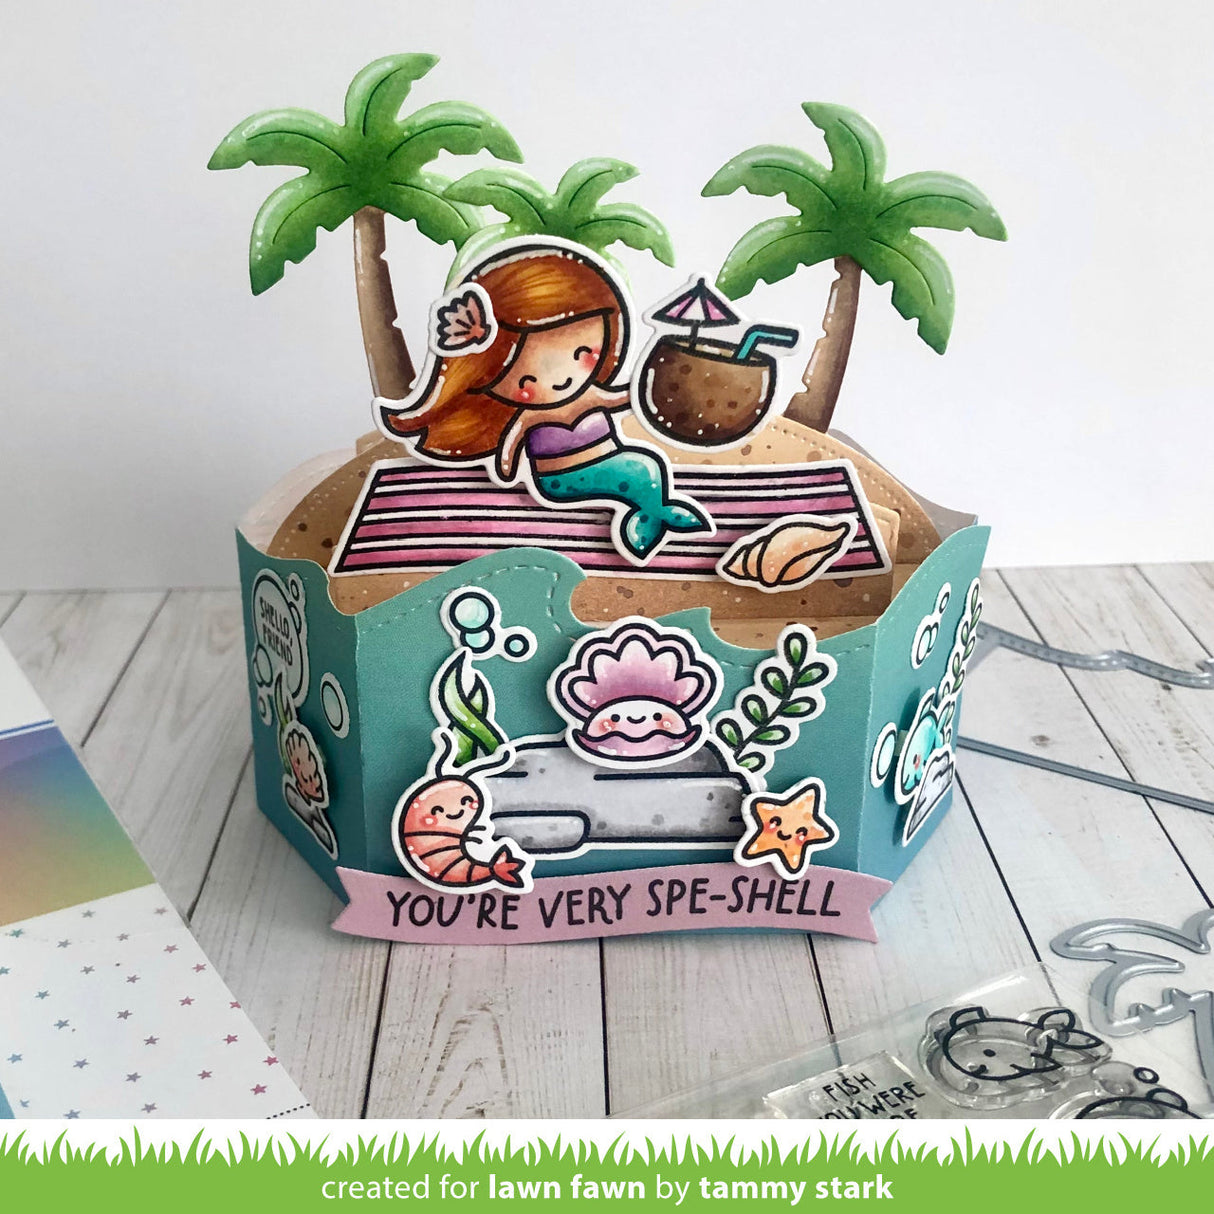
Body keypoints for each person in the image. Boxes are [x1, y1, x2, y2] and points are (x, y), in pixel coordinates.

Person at [376, 240, 711, 563]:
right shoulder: (530, 416)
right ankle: (651, 518)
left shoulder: (590, 396)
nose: (561, 379)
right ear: (484, 379)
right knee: (642, 468)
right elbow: (512, 444)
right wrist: (505, 467)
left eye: (583, 354)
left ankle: (650, 517)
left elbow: (626, 398)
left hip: (607, 462)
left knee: (645, 466)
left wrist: (658, 379)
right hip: (560, 481)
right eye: (527, 381)